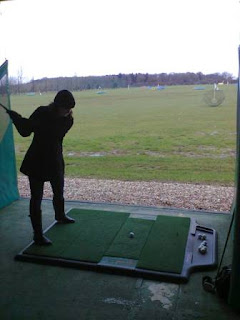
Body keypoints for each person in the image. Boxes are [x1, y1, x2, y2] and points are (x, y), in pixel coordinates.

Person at [5, 90, 76, 246]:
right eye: (65, 108)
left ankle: (60, 215)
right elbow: (25, 131)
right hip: (36, 160)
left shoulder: (67, 121)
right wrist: (16, 118)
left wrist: (25, 121)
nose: (68, 112)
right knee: (36, 197)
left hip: (54, 159)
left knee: (59, 191)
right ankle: (38, 235)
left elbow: (50, 131)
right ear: (57, 105)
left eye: (70, 109)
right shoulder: (42, 112)